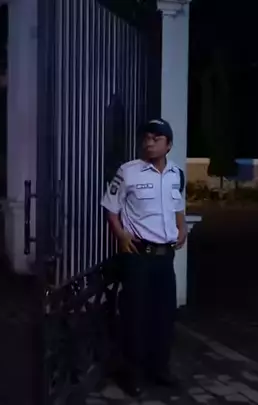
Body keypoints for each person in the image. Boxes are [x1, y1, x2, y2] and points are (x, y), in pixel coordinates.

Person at [101, 118, 187, 396]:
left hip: (165, 257)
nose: (149, 143)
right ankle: (132, 373)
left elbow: (177, 206)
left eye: (156, 139)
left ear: (168, 144)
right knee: (135, 316)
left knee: (164, 315)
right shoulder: (128, 172)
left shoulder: (176, 174)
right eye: (146, 138)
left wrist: (183, 227)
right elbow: (111, 208)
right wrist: (120, 234)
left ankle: (159, 369)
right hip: (138, 255)